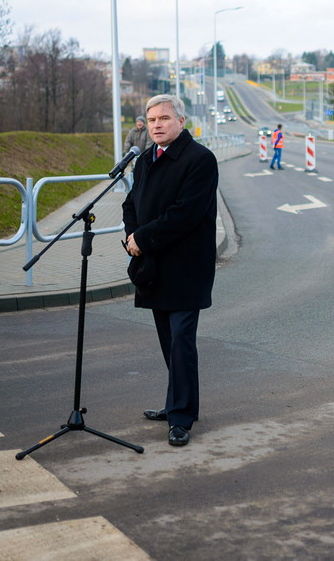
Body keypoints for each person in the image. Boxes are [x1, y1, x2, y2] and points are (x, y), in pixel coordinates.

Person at [122, 94, 218, 447]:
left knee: (181, 341)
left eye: (164, 118)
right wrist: (131, 236)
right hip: (153, 265)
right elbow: (130, 202)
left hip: (186, 266)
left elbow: (185, 214)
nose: (157, 125)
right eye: (151, 120)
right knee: (167, 340)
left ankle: (180, 417)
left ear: (181, 121)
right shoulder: (146, 159)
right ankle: (177, 404)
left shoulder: (200, 160)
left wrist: (142, 239)